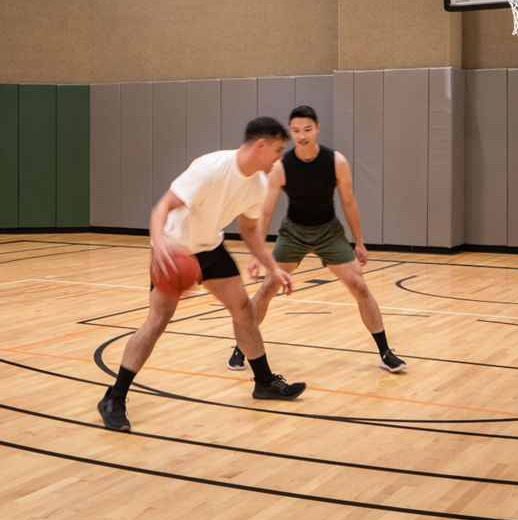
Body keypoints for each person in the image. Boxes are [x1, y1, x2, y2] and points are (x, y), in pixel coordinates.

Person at [98, 116, 306, 432]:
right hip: (175, 248)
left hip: (209, 247)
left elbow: (249, 230)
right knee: (157, 322)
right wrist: (159, 249)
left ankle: (264, 382)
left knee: (244, 311)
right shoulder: (210, 168)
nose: (280, 157)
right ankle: (115, 397)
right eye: (278, 150)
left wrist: (272, 266)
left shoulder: (259, 184)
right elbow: (161, 209)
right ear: (260, 145)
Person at [227, 105, 406, 374]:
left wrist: (359, 241)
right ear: (290, 132)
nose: (302, 136)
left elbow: (348, 202)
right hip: (293, 232)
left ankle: (385, 352)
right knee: (267, 289)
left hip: (328, 232)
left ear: (317, 129)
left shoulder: (336, 162)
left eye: (307, 129)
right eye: (296, 131)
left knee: (359, 286)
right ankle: (242, 347)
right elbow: (265, 211)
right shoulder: (281, 166)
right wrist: (257, 250)